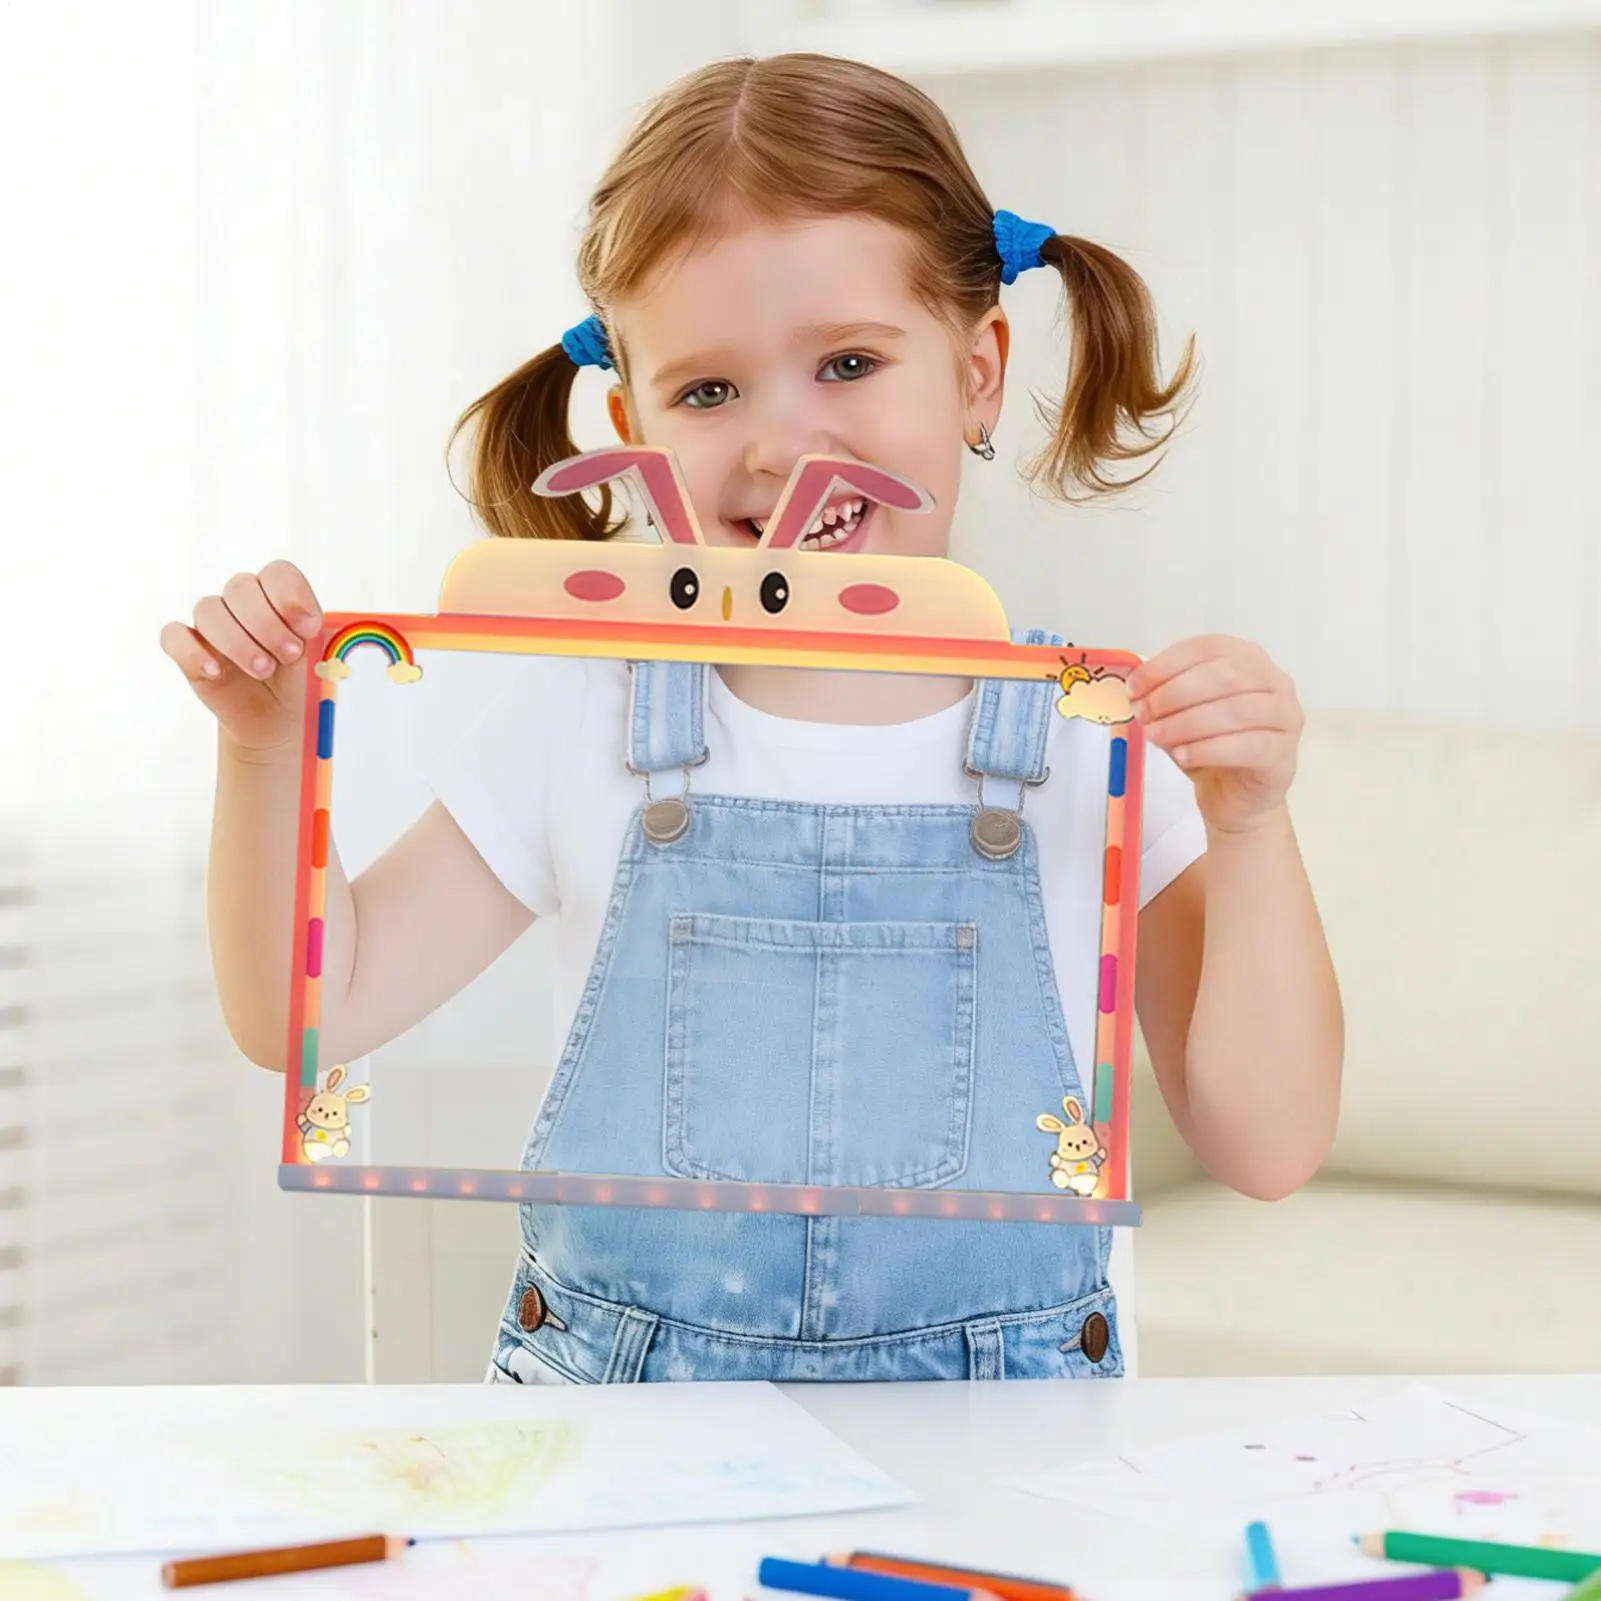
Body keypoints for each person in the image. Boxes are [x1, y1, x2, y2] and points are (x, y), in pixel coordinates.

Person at [162, 53, 1342, 1384]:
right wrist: (263, 747)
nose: (782, 445)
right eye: (710, 392)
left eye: (846, 362)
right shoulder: (591, 712)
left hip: (1007, 1446)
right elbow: (301, 1012)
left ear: (976, 370)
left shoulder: (1094, 736)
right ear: (631, 423)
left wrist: (1251, 825)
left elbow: (1269, 1145)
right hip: (617, 1441)